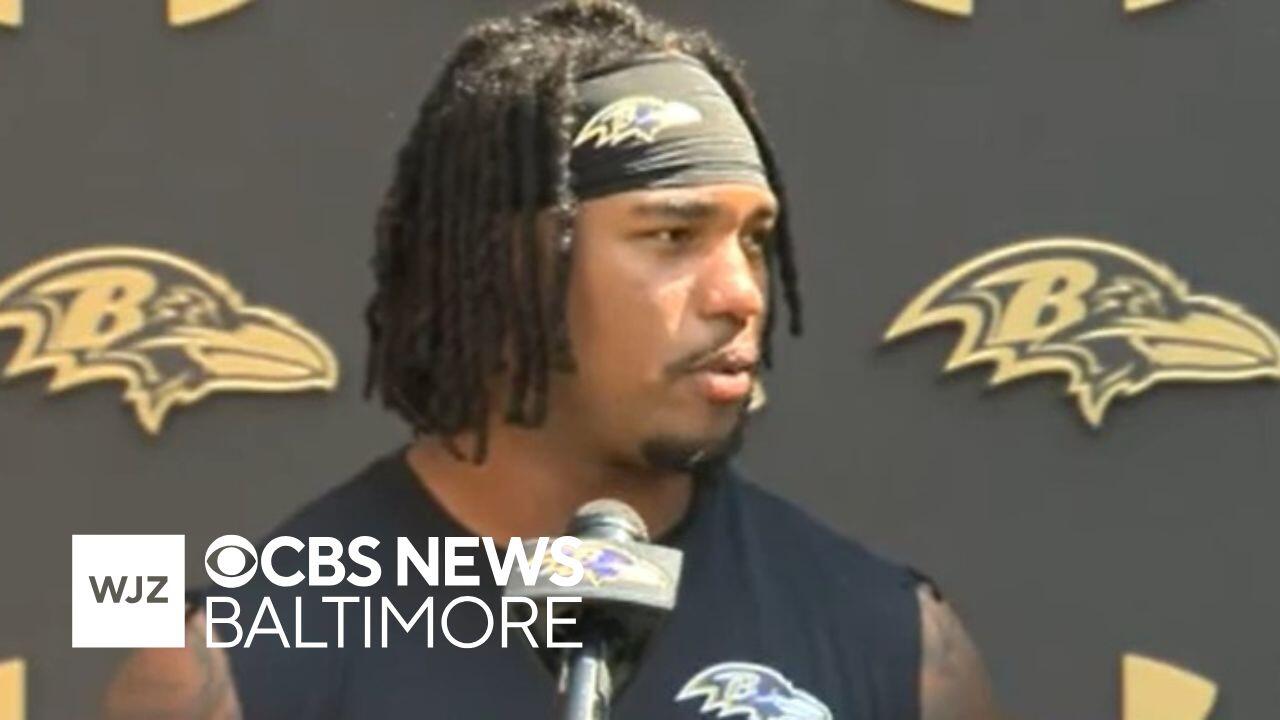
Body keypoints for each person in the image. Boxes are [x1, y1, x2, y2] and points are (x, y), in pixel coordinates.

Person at [103, 1, 1002, 717]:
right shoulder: (235, 663)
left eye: (755, 240)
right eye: (672, 235)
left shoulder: (897, 643)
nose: (740, 293)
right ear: (504, 267)